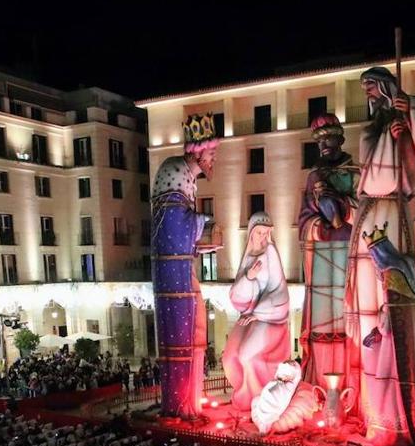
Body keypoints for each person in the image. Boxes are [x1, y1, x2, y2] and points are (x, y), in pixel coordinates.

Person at [343, 65, 415, 446]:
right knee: (370, 319)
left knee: (391, 315)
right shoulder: (370, 130)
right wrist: (392, 134)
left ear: (388, 88)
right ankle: (373, 414)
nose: (370, 96)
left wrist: (413, 114)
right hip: (369, 217)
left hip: (392, 218)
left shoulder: (405, 117)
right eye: (366, 92)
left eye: (374, 89)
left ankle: (393, 419)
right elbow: (373, 170)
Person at [151, 112, 220, 419]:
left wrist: (205, 240)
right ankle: (180, 405)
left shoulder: (188, 177)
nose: (213, 159)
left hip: (182, 271)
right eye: (211, 153)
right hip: (173, 279)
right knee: (184, 338)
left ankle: (191, 402)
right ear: (197, 151)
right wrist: (203, 222)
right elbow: (172, 228)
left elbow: (182, 236)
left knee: (197, 334)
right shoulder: (175, 169)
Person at [299, 113, 359, 387]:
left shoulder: (355, 172)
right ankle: (321, 384)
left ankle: (349, 384)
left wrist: (340, 205)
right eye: (319, 140)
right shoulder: (314, 176)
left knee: (349, 318)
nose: (324, 144)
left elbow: (365, 210)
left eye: (329, 137)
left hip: (349, 253)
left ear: (340, 138)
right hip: (323, 256)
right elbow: (303, 219)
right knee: (324, 325)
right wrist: (318, 227)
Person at [222, 212, 291, 412]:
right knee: (229, 357)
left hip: (269, 317)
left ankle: (262, 400)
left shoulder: (271, 254)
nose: (262, 236)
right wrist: (249, 277)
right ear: (251, 233)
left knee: (247, 355)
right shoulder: (248, 258)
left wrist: (259, 313)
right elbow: (237, 296)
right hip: (249, 316)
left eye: (266, 233)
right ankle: (244, 394)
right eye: (259, 232)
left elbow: (279, 289)